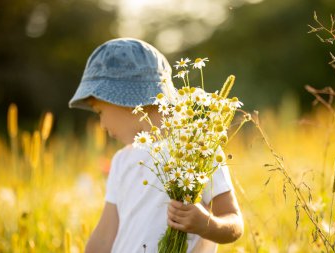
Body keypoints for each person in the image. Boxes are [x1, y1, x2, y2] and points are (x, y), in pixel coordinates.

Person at [69, 38, 244, 253]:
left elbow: (234, 222)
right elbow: (105, 235)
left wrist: (207, 224)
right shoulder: (121, 161)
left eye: (100, 112)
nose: (102, 125)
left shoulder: (198, 151)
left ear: (126, 100)